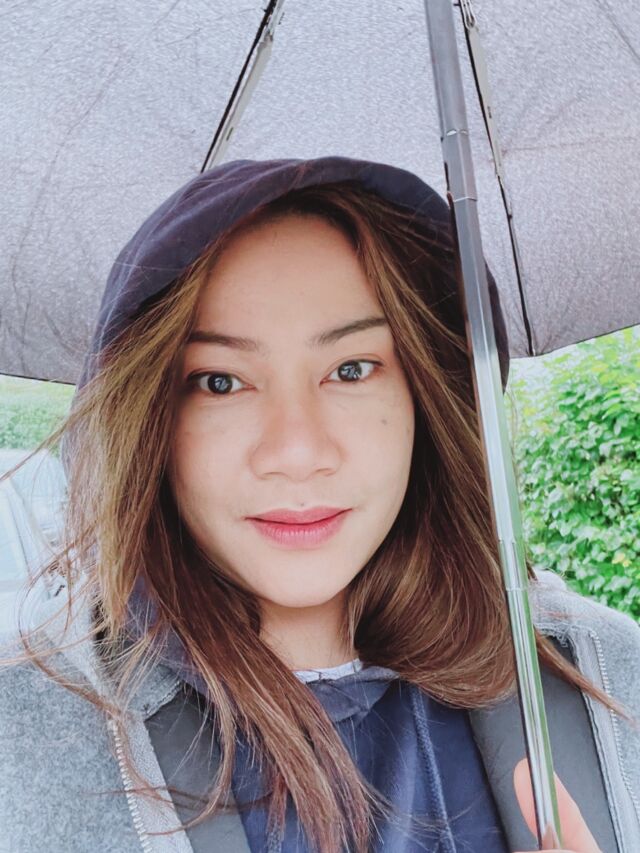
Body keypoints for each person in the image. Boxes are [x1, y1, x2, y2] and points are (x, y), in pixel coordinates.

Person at [0, 156, 638, 853]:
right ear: (148, 417)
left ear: (426, 391)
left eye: (351, 370)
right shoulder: (25, 740)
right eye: (221, 381)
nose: (297, 451)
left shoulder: (610, 677)